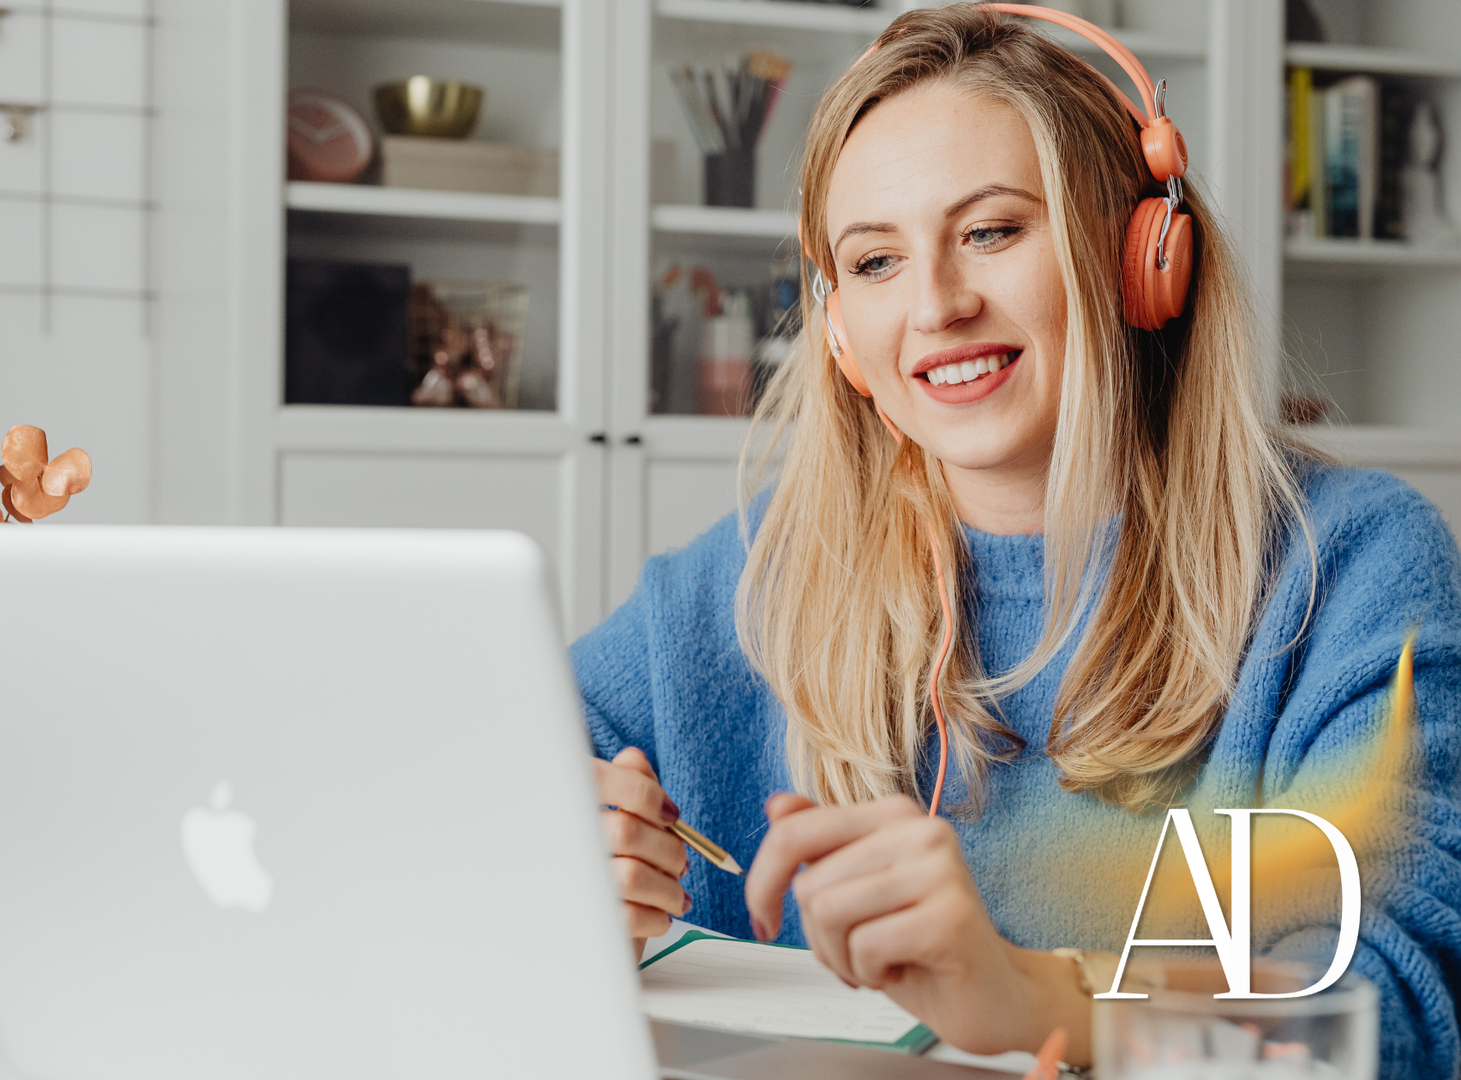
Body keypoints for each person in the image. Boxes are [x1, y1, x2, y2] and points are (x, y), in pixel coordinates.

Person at [576, 6, 1461, 1076]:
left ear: (1145, 257)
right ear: (839, 331)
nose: (936, 306)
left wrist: (1043, 998)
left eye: (991, 232)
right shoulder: (754, 573)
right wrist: (558, 862)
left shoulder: (1353, 566)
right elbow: (489, 759)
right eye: (875, 261)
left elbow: (1392, 1015)